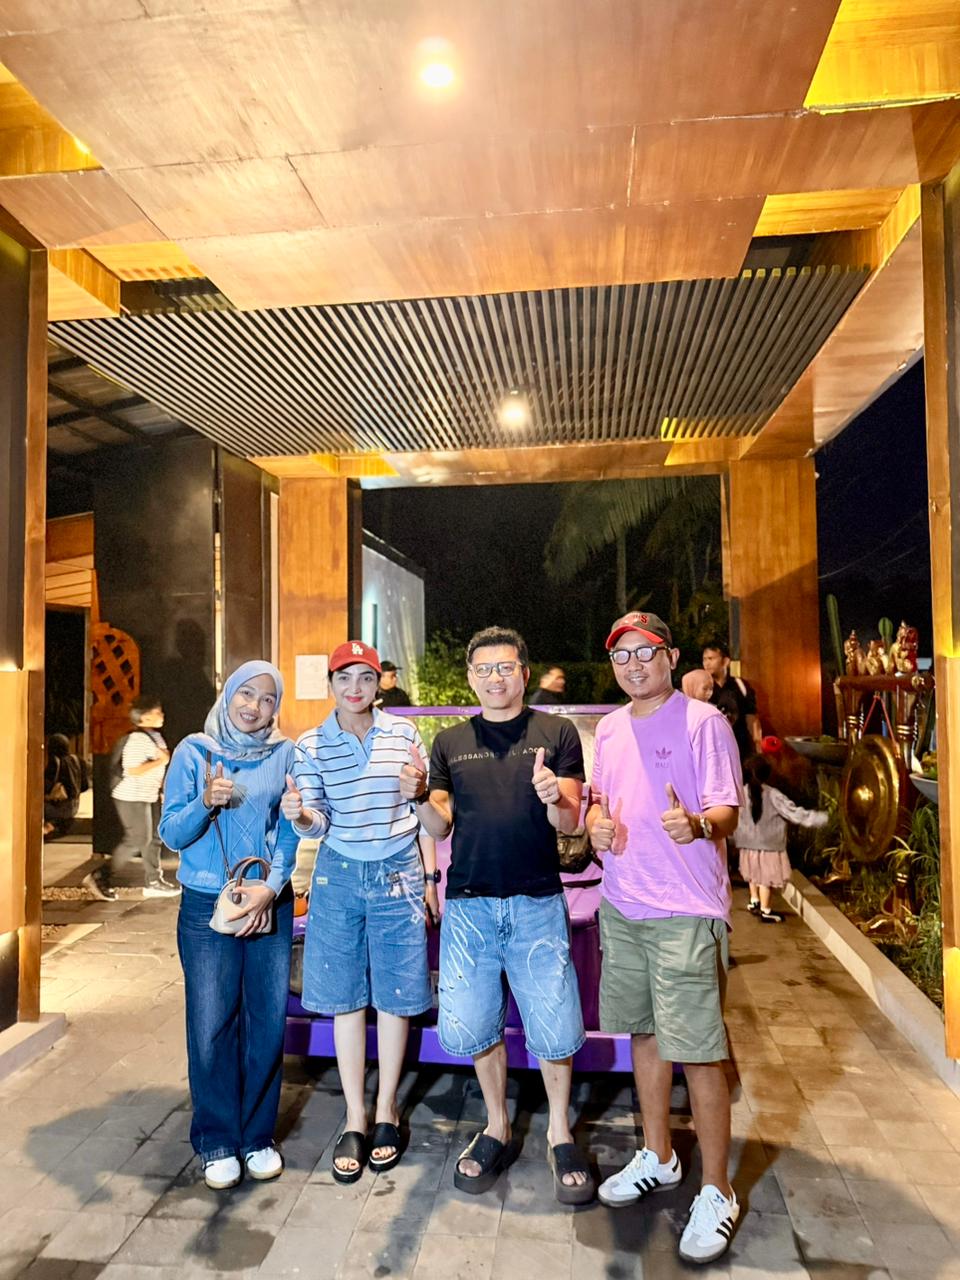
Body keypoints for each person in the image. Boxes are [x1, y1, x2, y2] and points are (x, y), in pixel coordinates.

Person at [401, 626, 594, 1205]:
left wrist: (553, 795)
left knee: (554, 1026)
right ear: (470, 678)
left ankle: (560, 1132)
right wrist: (418, 797)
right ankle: (497, 1125)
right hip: (469, 905)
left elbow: (570, 823)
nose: (495, 678)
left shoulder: (556, 733)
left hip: (537, 900)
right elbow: (440, 825)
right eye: (484, 669)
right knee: (477, 1025)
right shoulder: (450, 742)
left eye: (506, 667)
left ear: (524, 673)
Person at [586, 611, 743, 1264]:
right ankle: (659, 1154)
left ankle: (718, 1190)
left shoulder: (704, 722)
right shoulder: (608, 727)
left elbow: (727, 810)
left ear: (671, 658)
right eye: (621, 655)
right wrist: (594, 822)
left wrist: (699, 826)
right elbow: (598, 797)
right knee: (645, 1035)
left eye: (645, 652)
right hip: (624, 905)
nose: (633, 665)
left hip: (685, 909)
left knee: (699, 1051)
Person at [286, 641, 436, 1183]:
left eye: (366, 678)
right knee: (345, 997)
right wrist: (301, 815)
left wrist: (430, 878)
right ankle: (355, 1115)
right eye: (344, 678)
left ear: (379, 684)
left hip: (399, 868)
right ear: (330, 685)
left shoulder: (404, 733)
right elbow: (317, 819)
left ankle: (388, 1108)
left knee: (396, 994)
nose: (355, 688)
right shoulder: (311, 744)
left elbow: (424, 812)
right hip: (340, 872)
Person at [158, 660, 300, 1192]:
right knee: (212, 1023)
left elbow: (290, 830)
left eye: (267, 699)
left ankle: (257, 1136)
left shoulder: (285, 754)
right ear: (229, 694)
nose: (255, 707)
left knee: (266, 1021)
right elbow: (171, 833)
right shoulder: (194, 752)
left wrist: (272, 887)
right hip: (206, 904)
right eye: (246, 694)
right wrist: (205, 802)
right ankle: (217, 1140)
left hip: (269, 901)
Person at [85, 694, 177, 901]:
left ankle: (154, 881)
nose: (161, 715)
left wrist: (161, 788)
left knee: (154, 838)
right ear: (144, 717)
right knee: (137, 839)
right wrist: (161, 760)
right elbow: (132, 770)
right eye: (156, 712)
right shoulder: (137, 739)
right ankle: (100, 876)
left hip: (149, 794)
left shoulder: (155, 736)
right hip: (132, 795)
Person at [737, 754, 827, 923]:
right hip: (769, 846)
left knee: (752, 874)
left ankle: (754, 900)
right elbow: (792, 812)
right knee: (765, 879)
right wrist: (820, 819)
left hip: (747, 844)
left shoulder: (741, 793)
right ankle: (765, 910)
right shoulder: (773, 794)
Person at [702, 640, 762, 761]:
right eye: (704, 659)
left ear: (725, 661)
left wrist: (757, 745)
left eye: (711, 658)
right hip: (712, 750)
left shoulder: (740, 685)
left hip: (740, 748)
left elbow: (751, 717)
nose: (706, 663)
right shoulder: (702, 686)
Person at [43, 734, 89, 839]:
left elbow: (46, 787)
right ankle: (54, 824)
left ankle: (50, 825)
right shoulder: (79, 760)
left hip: (59, 807)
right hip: (75, 806)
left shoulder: (56, 762)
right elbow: (85, 786)